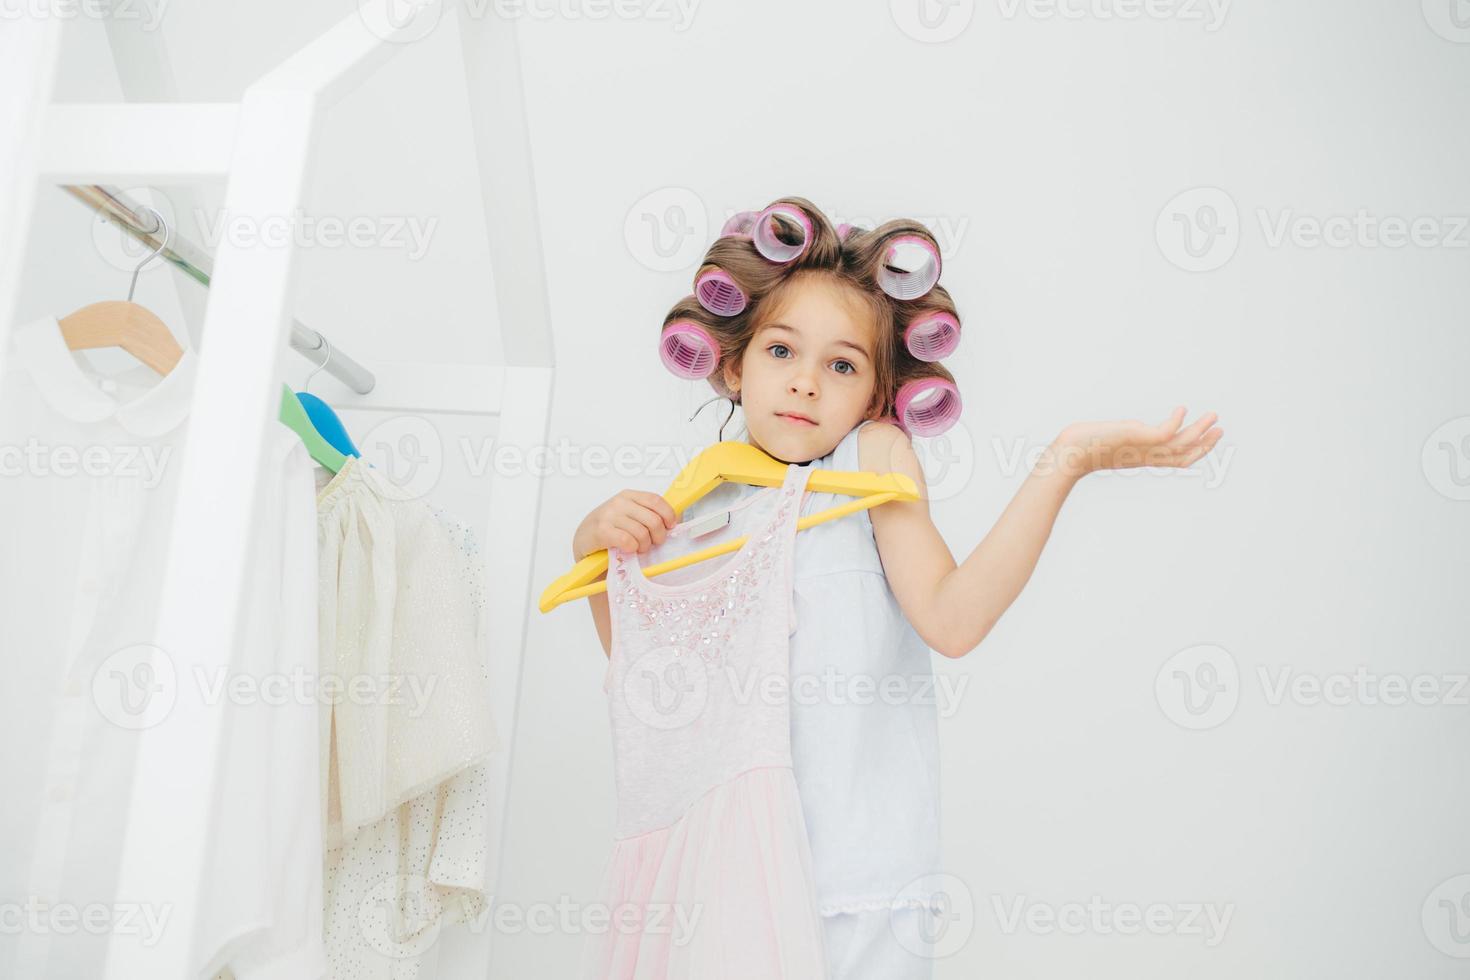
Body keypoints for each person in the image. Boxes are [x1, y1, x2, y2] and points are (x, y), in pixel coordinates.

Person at [573, 196, 1223, 978]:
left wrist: (1066, 462)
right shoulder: (701, 509)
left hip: (853, 875)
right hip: (727, 880)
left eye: (842, 365)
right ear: (735, 364)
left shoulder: (867, 464)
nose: (807, 383)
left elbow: (952, 619)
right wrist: (596, 552)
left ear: (877, 396)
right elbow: (652, 686)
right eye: (782, 352)